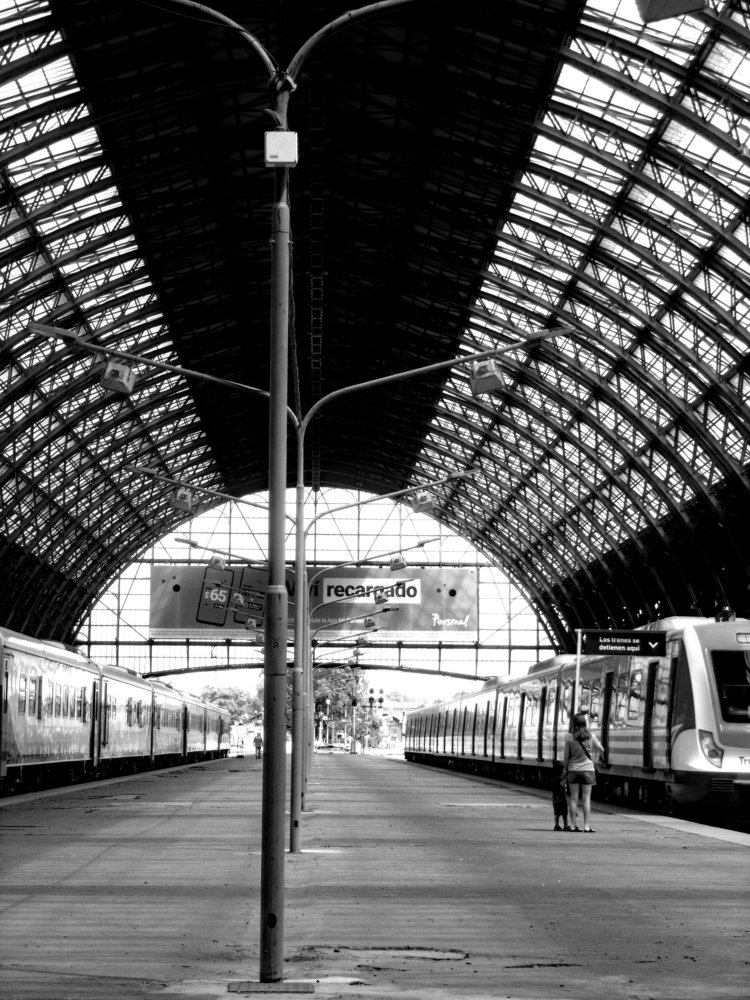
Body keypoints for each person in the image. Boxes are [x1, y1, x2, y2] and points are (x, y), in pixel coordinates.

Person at [563, 712, 604, 833]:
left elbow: (566, 757)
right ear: (584, 723)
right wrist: (600, 755)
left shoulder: (569, 737)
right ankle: (586, 826)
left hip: (573, 770)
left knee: (574, 799)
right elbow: (601, 748)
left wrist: (565, 770)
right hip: (588, 770)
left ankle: (573, 826)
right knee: (586, 799)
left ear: (573, 724)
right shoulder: (591, 736)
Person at [551, 759, 572, 831]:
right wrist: (566, 779)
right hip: (561, 798)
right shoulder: (560, 778)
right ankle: (565, 825)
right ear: (561, 771)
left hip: (555, 798)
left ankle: (556, 825)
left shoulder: (554, 777)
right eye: (563, 770)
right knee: (564, 813)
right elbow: (562, 784)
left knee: (557, 813)